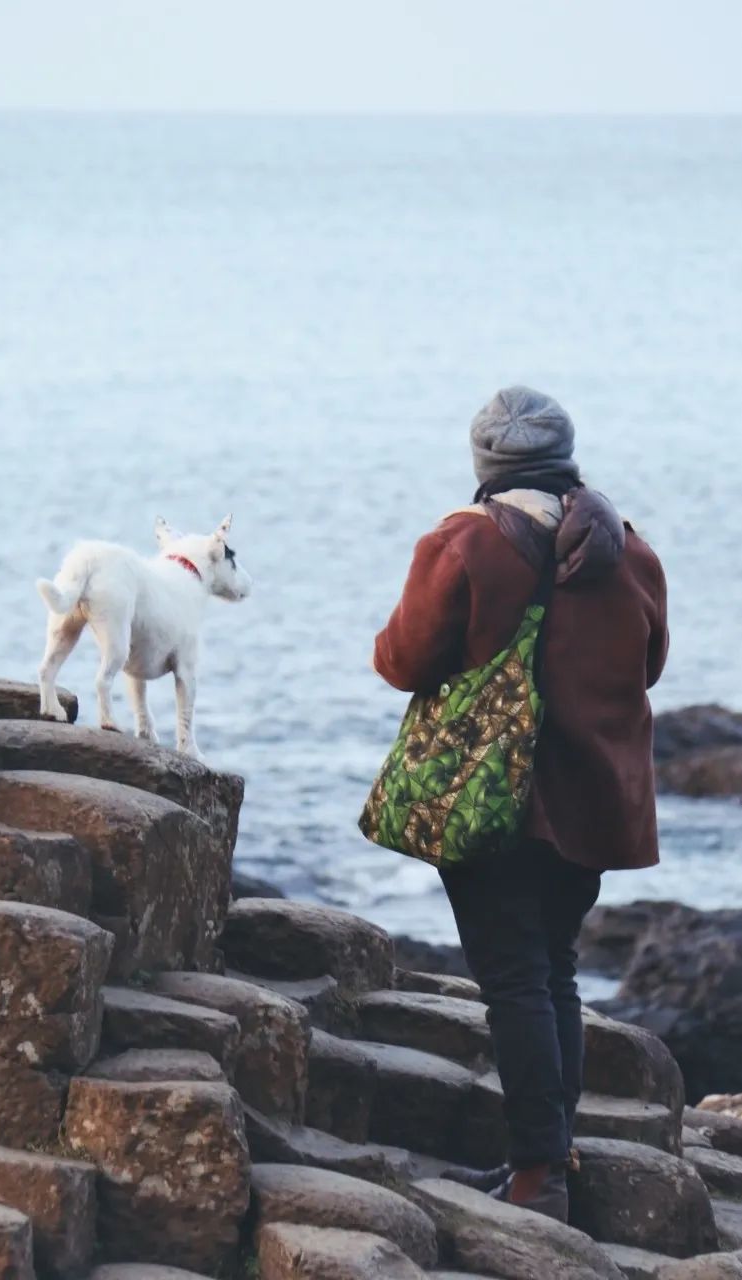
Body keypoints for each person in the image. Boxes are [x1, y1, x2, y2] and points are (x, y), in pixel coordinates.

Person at [372, 386, 668, 1221]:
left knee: (511, 981)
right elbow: (649, 664)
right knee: (554, 972)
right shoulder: (631, 551)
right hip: (596, 801)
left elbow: (400, 660)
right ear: (565, 456)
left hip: (491, 798)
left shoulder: (465, 541)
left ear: (485, 465)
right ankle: (550, 1153)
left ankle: (540, 1174)